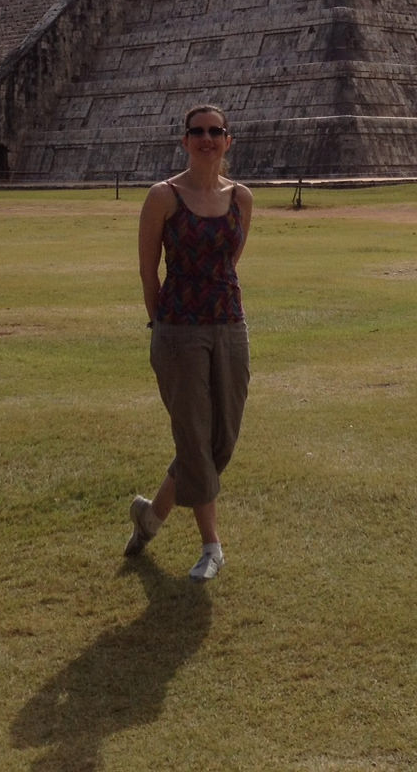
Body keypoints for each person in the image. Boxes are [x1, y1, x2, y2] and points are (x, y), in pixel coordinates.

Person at [126, 105, 254, 582]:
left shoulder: (241, 198)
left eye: (215, 131)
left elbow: (230, 262)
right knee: (194, 437)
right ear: (184, 141)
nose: (207, 139)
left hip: (229, 324)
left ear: (228, 140)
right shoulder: (164, 196)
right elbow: (148, 269)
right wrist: (160, 322)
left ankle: (152, 515)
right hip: (178, 329)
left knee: (221, 439)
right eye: (197, 132)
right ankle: (211, 546)